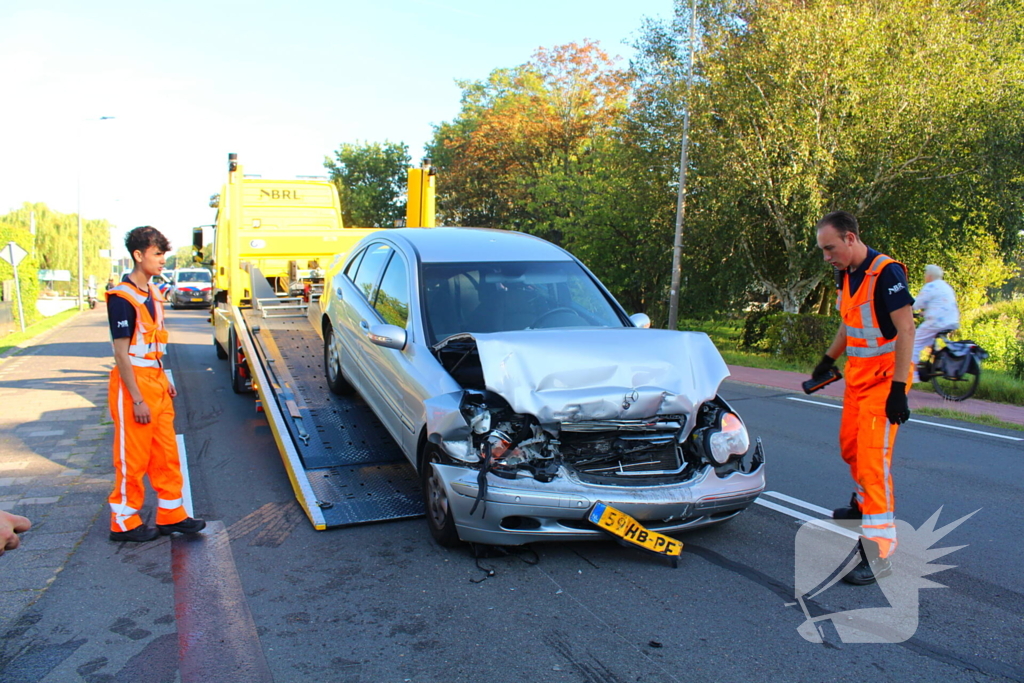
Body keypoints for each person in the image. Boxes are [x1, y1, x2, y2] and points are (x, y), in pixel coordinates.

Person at [812, 211, 915, 585]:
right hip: (857, 378)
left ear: (851, 239)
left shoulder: (886, 273)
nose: (827, 256)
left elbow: (906, 330)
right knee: (850, 448)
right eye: (823, 250)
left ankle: (879, 550)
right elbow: (849, 321)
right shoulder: (846, 274)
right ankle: (862, 504)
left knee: (873, 463)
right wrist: (828, 360)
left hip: (886, 382)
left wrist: (899, 391)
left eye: (830, 248)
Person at [106, 226, 205, 542]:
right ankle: (123, 522)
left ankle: (171, 514)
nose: (163, 260)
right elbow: (122, 354)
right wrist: (136, 399)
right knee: (132, 456)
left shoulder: (154, 293)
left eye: (164, 254)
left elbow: (151, 347)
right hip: (132, 385)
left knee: (165, 452)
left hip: (156, 382)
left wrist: (163, 379)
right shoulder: (123, 298)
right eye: (157, 254)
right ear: (139, 255)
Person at [912, 264, 960, 382]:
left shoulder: (930, 286)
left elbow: (916, 305)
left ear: (929, 276)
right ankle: (937, 361)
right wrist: (925, 313)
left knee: (913, 343)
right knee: (930, 340)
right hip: (952, 320)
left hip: (937, 322)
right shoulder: (946, 286)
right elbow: (940, 305)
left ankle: (912, 375)